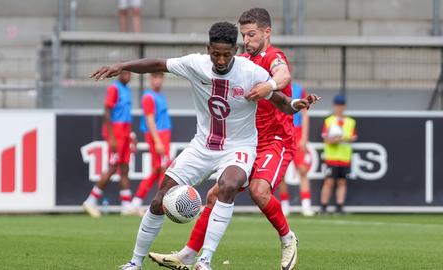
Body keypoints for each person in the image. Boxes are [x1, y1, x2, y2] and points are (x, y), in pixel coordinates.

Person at [90, 22, 317, 270]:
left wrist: (297, 105)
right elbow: (157, 64)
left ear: (235, 50)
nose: (220, 60)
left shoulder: (250, 71)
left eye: (226, 55)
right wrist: (122, 66)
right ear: (208, 48)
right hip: (202, 146)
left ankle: (204, 260)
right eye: (215, 54)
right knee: (159, 199)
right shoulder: (195, 64)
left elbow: (281, 102)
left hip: (239, 147)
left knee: (227, 186)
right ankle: (135, 262)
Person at [82, 71, 136, 217]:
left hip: (125, 132)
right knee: (113, 167)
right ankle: (90, 201)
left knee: (125, 167)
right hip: (116, 132)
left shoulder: (127, 89)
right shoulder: (114, 88)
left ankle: (126, 205)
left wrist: (131, 135)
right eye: (125, 73)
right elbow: (107, 111)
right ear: (119, 74)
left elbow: (125, 114)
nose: (128, 75)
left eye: (130, 73)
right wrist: (111, 137)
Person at [128, 72, 172, 215]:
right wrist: (158, 141)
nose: (157, 80)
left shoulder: (161, 96)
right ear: (150, 79)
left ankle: (136, 202)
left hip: (164, 134)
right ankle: (161, 202)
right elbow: (150, 120)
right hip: (157, 136)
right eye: (154, 77)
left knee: (157, 169)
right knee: (164, 167)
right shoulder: (149, 97)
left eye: (159, 76)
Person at [279, 82, 314, 217]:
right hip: (282, 130)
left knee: (303, 169)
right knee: (280, 172)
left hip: (297, 131)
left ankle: (306, 205)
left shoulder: (299, 89)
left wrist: (304, 137)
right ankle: (284, 204)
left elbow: (305, 113)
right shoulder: (274, 86)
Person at [320, 94, 357, 214]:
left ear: (344, 106)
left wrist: (342, 138)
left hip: (344, 157)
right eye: (337, 105)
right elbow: (326, 139)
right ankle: (324, 206)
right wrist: (338, 139)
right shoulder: (329, 121)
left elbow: (353, 137)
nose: (339, 107)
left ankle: (340, 206)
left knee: (342, 182)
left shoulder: (350, 122)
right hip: (331, 157)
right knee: (329, 182)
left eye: (341, 105)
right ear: (334, 105)